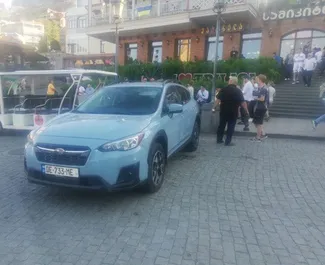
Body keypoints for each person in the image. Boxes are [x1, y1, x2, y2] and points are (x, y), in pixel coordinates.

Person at [216, 76, 248, 146]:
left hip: (223, 110)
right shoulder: (238, 91)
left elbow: (218, 99)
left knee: (221, 125)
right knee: (231, 126)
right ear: (235, 83)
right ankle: (227, 141)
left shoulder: (223, 89)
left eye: (229, 80)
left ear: (230, 82)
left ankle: (219, 139)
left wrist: (214, 107)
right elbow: (243, 102)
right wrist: (246, 110)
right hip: (233, 111)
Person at [251, 74, 269, 142]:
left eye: (257, 79)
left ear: (260, 80)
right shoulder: (260, 87)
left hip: (261, 107)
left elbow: (262, 99)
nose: (256, 80)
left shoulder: (263, 88)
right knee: (257, 122)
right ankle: (263, 134)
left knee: (258, 123)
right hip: (259, 107)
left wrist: (255, 98)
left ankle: (258, 137)